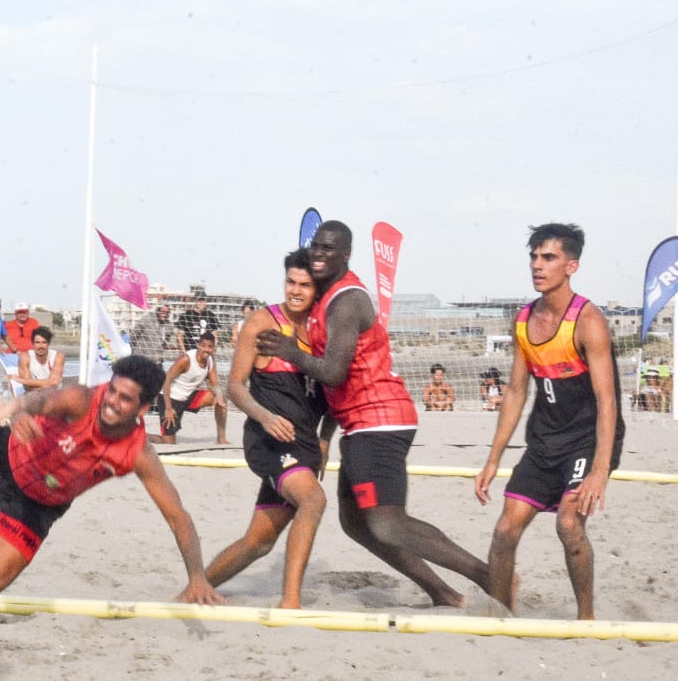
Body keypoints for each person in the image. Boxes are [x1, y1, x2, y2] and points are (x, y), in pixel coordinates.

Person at [256, 220, 492, 608]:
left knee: (387, 522)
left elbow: (332, 371)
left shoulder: (347, 300)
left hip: (381, 418)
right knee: (357, 526)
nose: (319, 252)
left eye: (329, 248)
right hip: (360, 421)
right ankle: (444, 594)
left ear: (346, 255)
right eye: (316, 246)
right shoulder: (325, 299)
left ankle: (489, 576)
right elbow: (338, 384)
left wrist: (291, 352)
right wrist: (325, 436)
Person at [0, 355, 225, 614]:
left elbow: (177, 515)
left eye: (125, 399)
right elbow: (40, 397)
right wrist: (18, 413)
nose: (111, 401)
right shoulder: (81, 399)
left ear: (142, 409)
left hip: (39, 504)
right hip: (11, 454)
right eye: (112, 390)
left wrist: (197, 577)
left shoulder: (138, 452)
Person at [475, 223, 624, 620]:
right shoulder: (524, 319)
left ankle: (586, 618)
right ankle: (503, 616)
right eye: (534, 257)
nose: (537, 265)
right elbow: (516, 392)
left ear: (571, 265)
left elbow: (607, 401)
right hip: (544, 441)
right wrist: (493, 460)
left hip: (586, 440)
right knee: (505, 530)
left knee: (569, 524)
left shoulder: (588, 321)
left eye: (549, 258)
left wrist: (599, 470)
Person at [206, 250, 333, 609]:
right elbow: (234, 387)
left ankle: (194, 588)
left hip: (305, 442)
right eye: (290, 282)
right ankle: (290, 602)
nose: (295, 291)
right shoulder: (262, 322)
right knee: (314, 500)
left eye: (305, 285)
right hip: (269, 439)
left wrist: (325, 439)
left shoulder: (323, 329)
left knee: (258, 543)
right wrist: (263, 417)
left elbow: (337, 387)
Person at [154, 331, 229, 445]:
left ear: (213, 348)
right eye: (204, 346)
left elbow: (214, 384)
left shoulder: (210, 361)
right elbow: (166, 381)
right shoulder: (186, 359)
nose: (207, 350)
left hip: (187, 398)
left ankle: (221, 438)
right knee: (168, 442)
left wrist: (218, 396)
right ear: (198, 345)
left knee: (222, 397)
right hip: (169, 400)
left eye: (210, 347)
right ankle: (142, 436)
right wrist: (168, 408)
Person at [10, 326, 64, 391]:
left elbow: (54, 383)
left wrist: (21, 380)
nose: (40, 346)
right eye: (37, 342)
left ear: (48, 343)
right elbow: (27, 387)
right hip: (34, 395)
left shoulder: (57, 356)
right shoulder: (25, 357)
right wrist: (47, 384)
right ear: (33, 343)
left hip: (54, 395)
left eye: (44, 342)